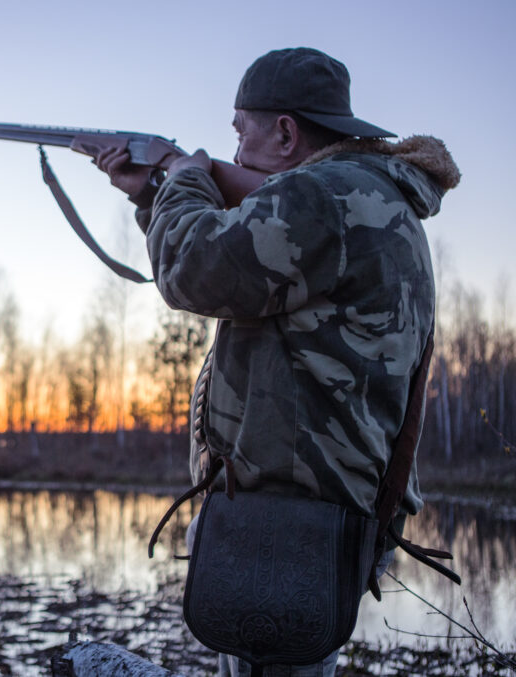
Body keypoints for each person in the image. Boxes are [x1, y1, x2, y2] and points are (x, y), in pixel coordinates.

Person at [94, 47, 460, 676]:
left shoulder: (323, 197)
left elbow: (195, 270)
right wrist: (153, 195)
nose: (232, 154)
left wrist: (183, 174)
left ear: (286, 132)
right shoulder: (361, 195)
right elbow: (238, 266)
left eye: (241, 131)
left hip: (289, 525)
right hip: (309, 514)